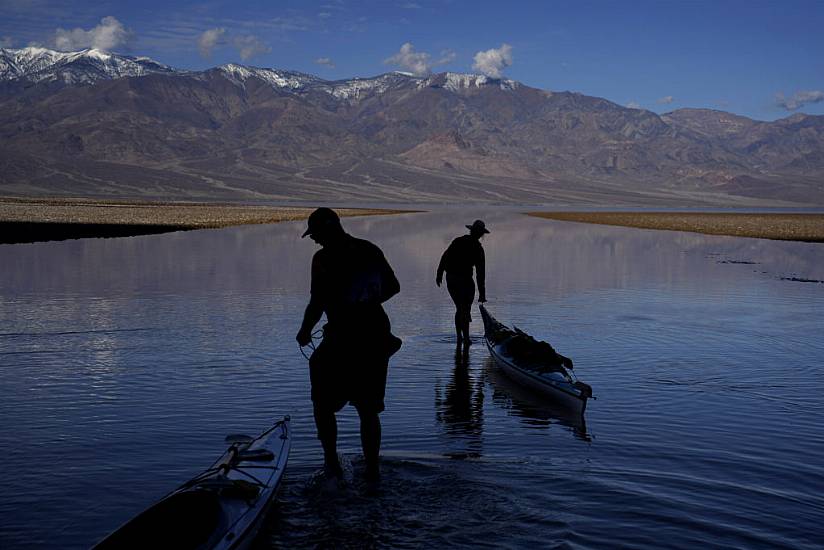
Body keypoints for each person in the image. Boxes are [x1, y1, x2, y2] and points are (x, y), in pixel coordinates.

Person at [296, 207, 401, 483]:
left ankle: (331, 463)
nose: (315, 240)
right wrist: (367, 299)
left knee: (322, 402)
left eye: (316, 234)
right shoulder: (369, 250)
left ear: (327, 230)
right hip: (375, 335)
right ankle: (372, 470)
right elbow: (393, 287)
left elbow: (317, 302)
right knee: (368, 409)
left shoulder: (322, 259)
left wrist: (305, 331)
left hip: (344, 336)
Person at [436, 220, 489, 348]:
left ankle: (461, 337)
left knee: (461, 308)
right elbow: (480, 273)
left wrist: (439, 273)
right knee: (464, 308)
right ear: (481, 234)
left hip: (452, 278)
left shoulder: (459, 241)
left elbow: (445, 256)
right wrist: (482, 293)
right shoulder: (478, 248)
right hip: (463, 280)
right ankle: (465, 338)